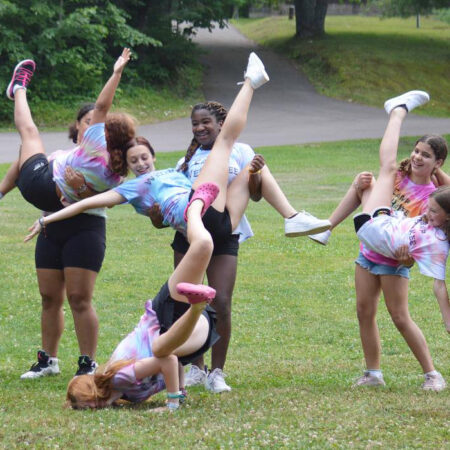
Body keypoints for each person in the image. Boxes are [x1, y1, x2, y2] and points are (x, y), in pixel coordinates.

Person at [64, 52, 268, 410]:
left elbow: (242, 179)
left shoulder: (173, 173)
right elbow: (122, 204)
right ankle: (198, 370)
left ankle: (251, 83)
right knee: (188, 301)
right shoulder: (174, 171)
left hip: (208, 219)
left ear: (153, 156)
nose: (141, 163)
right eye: (134, 161)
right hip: (195, 225)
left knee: (215, 294)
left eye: (144, 157)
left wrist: (250, 178)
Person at [152, 100, 331, 393]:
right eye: (195, 124)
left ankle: (217, 372)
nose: (199, 128)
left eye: (205, 122)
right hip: (190, 236)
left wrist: (256, 174)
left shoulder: (240, 151)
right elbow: (168, 210)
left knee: (221, 301)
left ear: (222, 124)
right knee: (185, 302)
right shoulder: (185, 162)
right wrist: (157, 215)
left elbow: (255, 194)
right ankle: (196, 367)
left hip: (224, 234)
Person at [9, 48, 135, 378]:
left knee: (79, 298)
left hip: (76, 220)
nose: (92, 124)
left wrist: (117, 73)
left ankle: (19, 88)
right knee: (49, 296)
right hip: (49, 210)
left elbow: (109, 200)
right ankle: (48, 360)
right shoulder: (114, 169)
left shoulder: (98, 147)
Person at [66, 184, 220, 411]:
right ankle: (197, 307)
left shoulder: (120, 379)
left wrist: (172, 403)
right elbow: (173, 363)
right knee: (166, 350)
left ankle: (194, 207)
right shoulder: (124, 392)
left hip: (164, 316)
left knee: (203, 246)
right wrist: (180, 391)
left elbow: (165, 361)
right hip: (176, 333)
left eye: (88, 403)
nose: (92, 407)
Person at [334, 90, 447, 391]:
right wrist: (359, 185)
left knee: (399, 316)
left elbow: (425, 235)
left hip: (395, 260)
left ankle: (432, 375)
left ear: (438, 163)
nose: (418, 157)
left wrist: (407, 258)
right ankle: (373, 373)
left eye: (427, 155)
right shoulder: (397, 176)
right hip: (369, 252)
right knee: (364, 311)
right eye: (417, 151)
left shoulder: (435, 197)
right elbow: (372, 184)